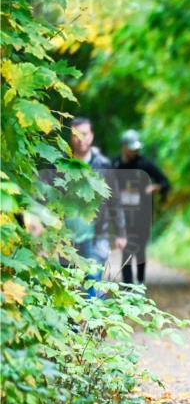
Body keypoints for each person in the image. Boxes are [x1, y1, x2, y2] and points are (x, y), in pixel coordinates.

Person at [66, 117, 127, 298]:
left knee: (93, 279)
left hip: (97, 233)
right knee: (70, 283)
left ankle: (93, 316)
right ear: (70, 137)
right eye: (76, 135)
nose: (80, 139)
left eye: (84, 134)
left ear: (91, 136)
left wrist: (121, 232)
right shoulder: (60, 164)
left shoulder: (103, 165)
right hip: (67, 235)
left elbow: (114, 200)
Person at [113, 129, 171, 285]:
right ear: (123, 147)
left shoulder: (145, 164)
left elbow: (165, 182)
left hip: (142, 215)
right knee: (126, 249)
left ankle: (140, 283)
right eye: (132, 149)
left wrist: (154, 188)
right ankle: (127, 286)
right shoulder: (115, 164)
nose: (136, 152)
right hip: (123, 215)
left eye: (137, 149)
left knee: (140, 250)